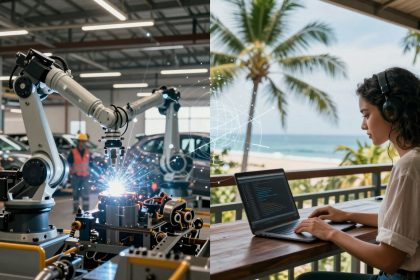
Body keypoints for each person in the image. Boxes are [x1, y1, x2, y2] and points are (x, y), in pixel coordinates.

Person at [296, 67, 420, 280]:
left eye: (366, 114)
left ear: (391, 111)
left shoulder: (409, 166)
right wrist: (347, 215)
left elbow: (388, 260)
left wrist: (330, 232)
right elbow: (404, 225)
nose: (363, 125)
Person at [67, 133, 92, 213]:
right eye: (81, 141)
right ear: (78, 142)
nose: (82, 143)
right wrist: (70, 172)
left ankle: (86, 210)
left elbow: (91, 164)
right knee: (75, 194)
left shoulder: (88, 152)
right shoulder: (73, 152)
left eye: (84, 141)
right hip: (75, 176)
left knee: (85, 195)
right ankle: (76, 210)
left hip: (85, 176)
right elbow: (68, 163)